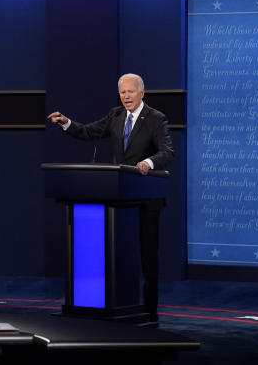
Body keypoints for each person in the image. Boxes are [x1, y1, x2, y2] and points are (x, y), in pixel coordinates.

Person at [47, 73, 174, 323]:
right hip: (119, 198)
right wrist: (65, 122)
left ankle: (150, 312)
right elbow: (87, 132)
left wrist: (148, 163)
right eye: (122, 92)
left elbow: (167, 151)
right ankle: (119, 307)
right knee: (119, 256)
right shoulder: (115, 116)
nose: (126, 96)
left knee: (148, 258)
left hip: (146, 199)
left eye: (130, 91)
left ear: (142, 93)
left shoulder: (156, 118)